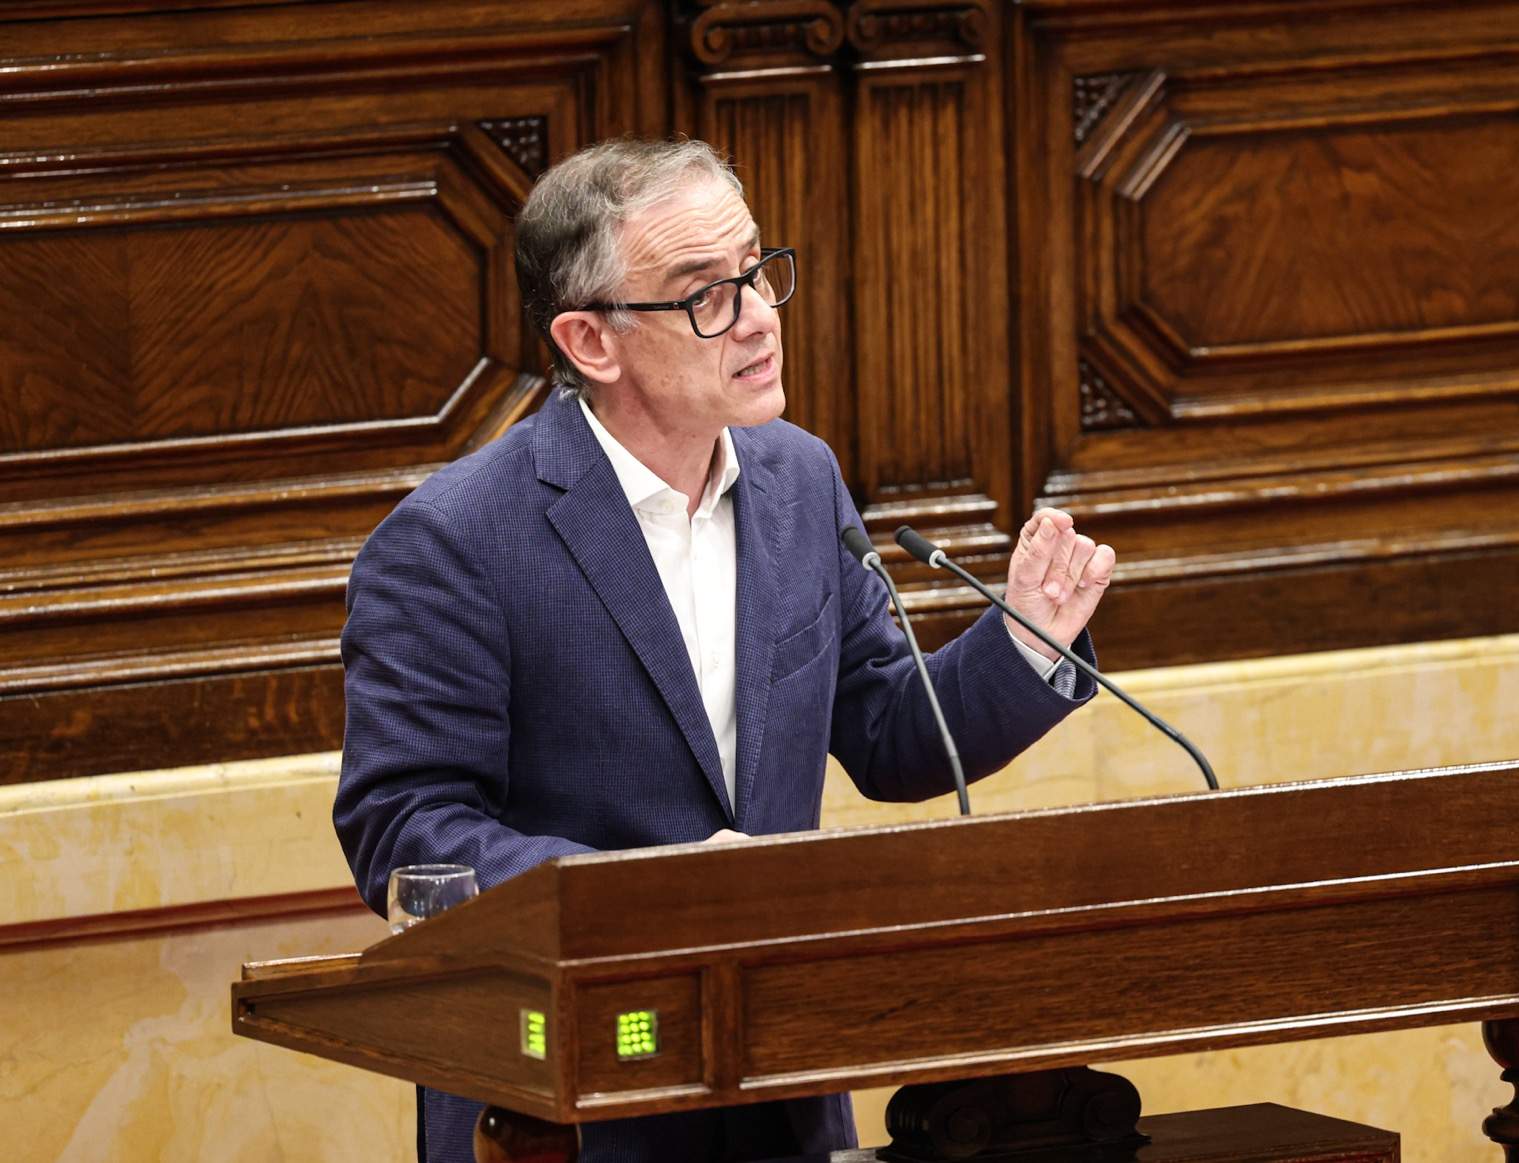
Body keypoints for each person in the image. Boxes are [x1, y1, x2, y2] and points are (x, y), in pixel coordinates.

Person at [334, 137, 1118, 1163]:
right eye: (704, 294)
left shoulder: (800, 480)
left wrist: (1022, 646)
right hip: (564, 1102)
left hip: (780, 1083)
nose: (756, 316)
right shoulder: (456, 540)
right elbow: (406, 827)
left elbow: (885, 731)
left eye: (757, 271)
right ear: (591, 340)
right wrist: (654, 889)